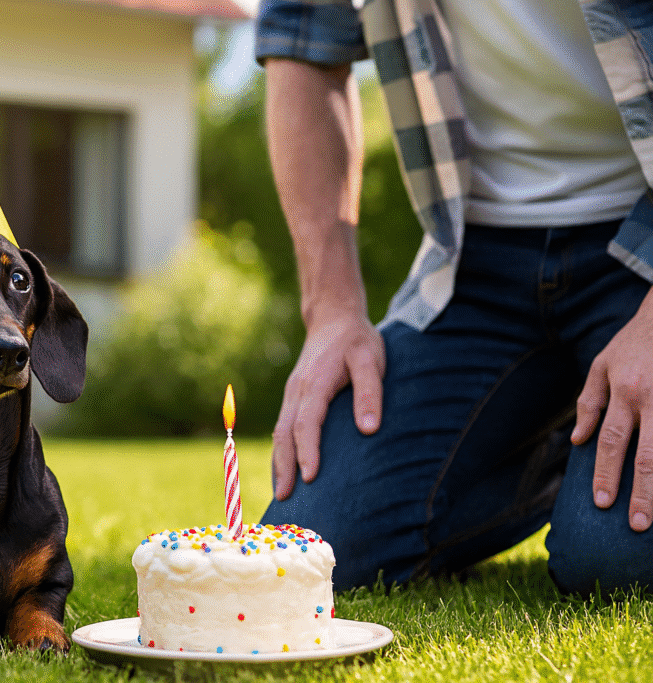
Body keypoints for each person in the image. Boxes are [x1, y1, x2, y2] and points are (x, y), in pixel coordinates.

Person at [255, 0, 653, 595]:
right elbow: (305, 41)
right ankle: (549, 448)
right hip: (473, 263)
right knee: (310, 551)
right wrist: (331, 310)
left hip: (641, 248)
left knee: (613, 564)